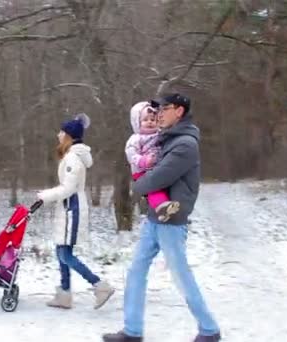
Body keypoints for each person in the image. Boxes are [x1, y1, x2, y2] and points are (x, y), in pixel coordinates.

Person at [102, 94, 221, 342]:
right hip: (155, 217)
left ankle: (209, 329)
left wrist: (138, 184)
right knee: (136, 270)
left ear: (179, 111)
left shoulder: (184, 144)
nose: (158, 114)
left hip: (172, 220)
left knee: (181, 276)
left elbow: (154, 179)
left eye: (164, 109)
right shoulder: (166, 139)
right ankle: (132, 331)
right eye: (155, 111)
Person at [36, 113, 115, 310]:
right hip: (68, 207)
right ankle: (64, 294)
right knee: (61, 250)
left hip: (72, 207)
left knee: (65, 254)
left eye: (61, 132)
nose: (58, 135)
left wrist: (45, 195)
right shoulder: (72, 156)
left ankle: (99, 285)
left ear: (69, 136)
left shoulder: (73, 158)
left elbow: (69, 188)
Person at [125, 100, 180, 222]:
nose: (150, 122)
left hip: (157, 168)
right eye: (145, 120)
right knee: (152, 189)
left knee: (161, 186)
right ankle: (161, 207)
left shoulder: (159, 135)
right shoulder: (136, 139)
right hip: (141, 171)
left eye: (153, 119)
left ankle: (168, 208)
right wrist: (143, 161)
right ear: (137, 122)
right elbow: (131, 154)